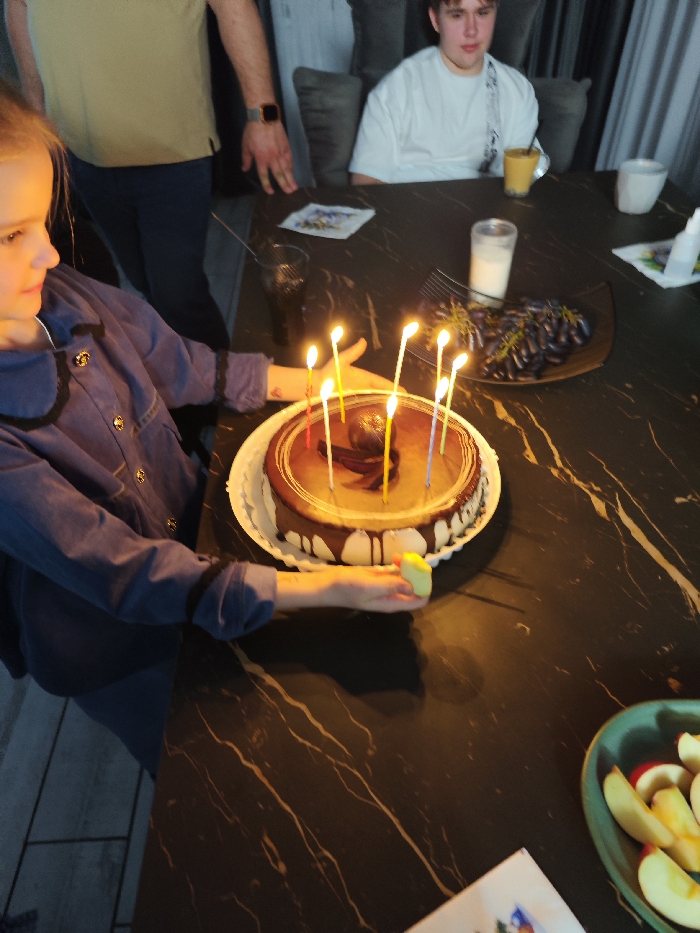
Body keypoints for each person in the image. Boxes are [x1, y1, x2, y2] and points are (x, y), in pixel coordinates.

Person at [0, 83, 428, 777]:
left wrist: (306, 383)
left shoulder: (69, 297)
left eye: (44, 222)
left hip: (206, 547)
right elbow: (124, 569)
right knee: (197, 762)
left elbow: (179, 363)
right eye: (11, 235)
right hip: (120, 645)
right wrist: (323, 589)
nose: (49, 255)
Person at [4, 0, 297, 351]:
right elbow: (19, 5)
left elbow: (233, 6)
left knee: (179, 296)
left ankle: (219, 382)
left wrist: (264, 116)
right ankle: (171, 371)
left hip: (172, 148)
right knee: (145, 286)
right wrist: (35, 112)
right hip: (79, 146)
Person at [350, 0, 541, 186]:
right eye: (457, 15)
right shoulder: (396, 89)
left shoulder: (517, 90)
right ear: (435, 20)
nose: (471, 30)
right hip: (411, 202)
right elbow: (366, 181)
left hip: (487, 204)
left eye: (482, 13)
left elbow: (525, 176)